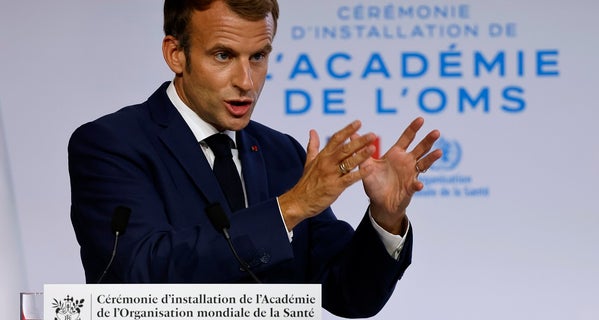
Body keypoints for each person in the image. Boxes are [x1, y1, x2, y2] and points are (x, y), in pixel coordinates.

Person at [68, 0, 442, 318]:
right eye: (223, 55)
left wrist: (385, 218)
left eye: (258, 56)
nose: (246, 81)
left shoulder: (282, 152)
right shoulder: (111, 145)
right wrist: (291, 208)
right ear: (176, 54)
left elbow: (348, 294)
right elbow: (139, 276)